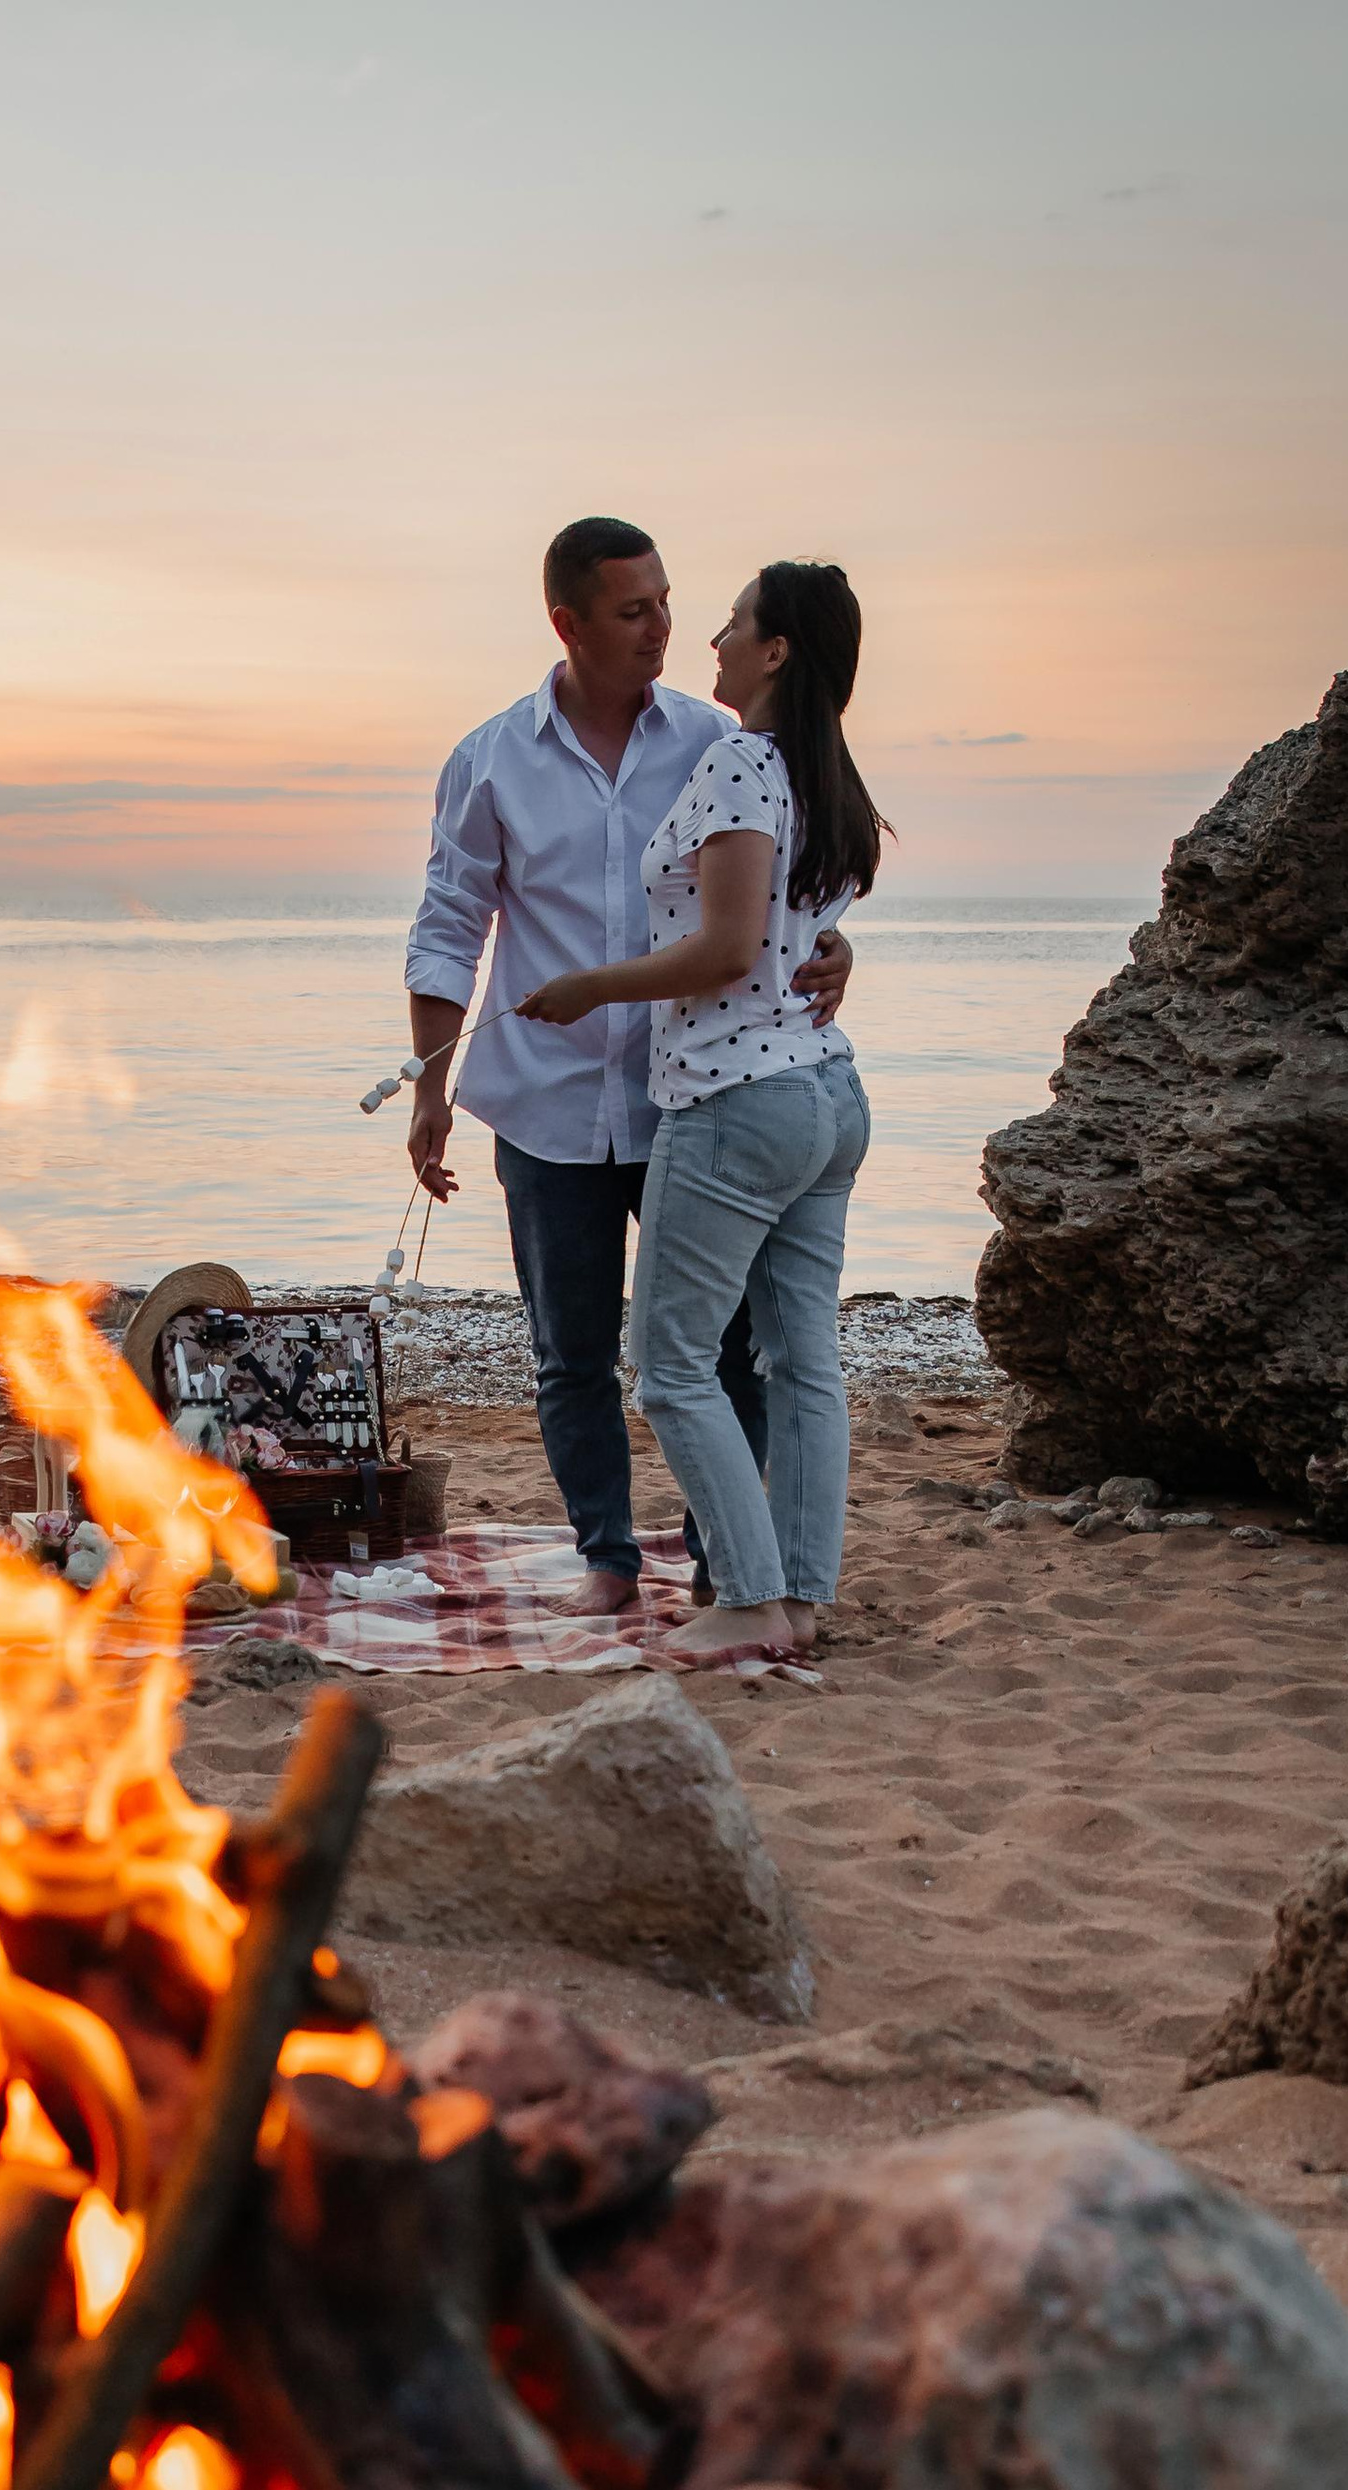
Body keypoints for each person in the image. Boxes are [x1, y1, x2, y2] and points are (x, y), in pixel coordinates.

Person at [404, 520, 852, 1613]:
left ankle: (722, 1564)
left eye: (666, 602)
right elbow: (449, 924)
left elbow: (781, 882)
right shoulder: (492, 757)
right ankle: (604, 1558)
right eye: (632, 610)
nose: (663, 628)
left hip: (694, 1100)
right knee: (570, 1355)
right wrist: (428, 1089)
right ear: (568, 623)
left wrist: (834, 944)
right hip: (545, 1103)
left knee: (725, 1355)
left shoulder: (719, 739)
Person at [514, 561, 883, 1671]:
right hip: (826, 1092)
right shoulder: (827, 774)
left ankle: (752, 1595)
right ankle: (798, 1602)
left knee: (671, 1361)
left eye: (730, 625)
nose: (707, 640)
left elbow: (726, 952)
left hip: (737, 1103)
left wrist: (590, 986)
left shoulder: (739, 761)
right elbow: (789, 937)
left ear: (774, 653)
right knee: (800, 1357)